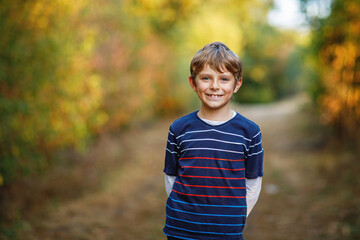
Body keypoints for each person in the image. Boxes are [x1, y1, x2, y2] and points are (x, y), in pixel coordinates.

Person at [163, 41, 264, 240]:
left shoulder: (249, 132)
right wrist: (184, 212)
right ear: (193, 83)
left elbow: (253, 181)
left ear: (237, 84)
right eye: (206, 78)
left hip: (227, 231)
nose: (215, 86)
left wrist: (238, 215)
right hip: (181, 230)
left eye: (224, 79)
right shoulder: (179, 129)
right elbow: (171, 177)